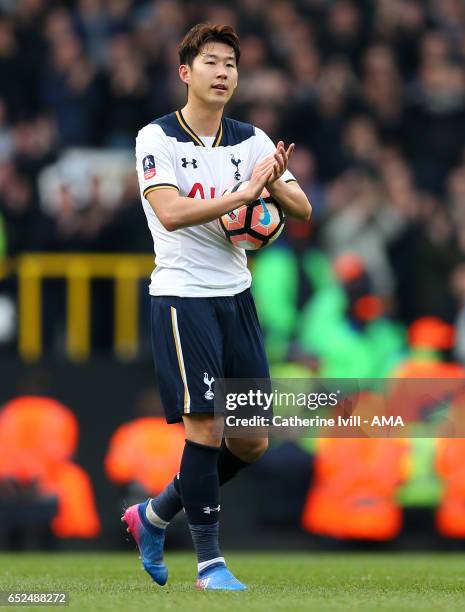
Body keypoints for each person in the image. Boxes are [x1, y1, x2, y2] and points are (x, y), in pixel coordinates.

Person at [123, 23, 311, 591]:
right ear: (186, 72)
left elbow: (300, 209)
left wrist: (272, 182)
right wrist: (245, 194)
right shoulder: (156, 139)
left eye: (230, 62)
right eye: (211, 62)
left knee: (251, 439)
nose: (223, 71)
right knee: (203, 428)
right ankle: (210, 566)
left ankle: (152, 515)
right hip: (184, 297)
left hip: (237, 297)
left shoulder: (252, 139)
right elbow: (173, 213)